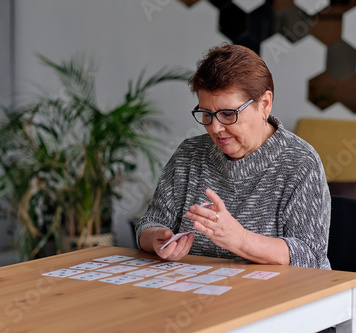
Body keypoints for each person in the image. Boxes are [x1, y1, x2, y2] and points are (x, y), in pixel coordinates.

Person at [136, 43, 331, 269]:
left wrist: (239, 239)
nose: (215, 128)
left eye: (228, 114)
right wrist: (157, 239)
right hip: (196, 293)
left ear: (264, 104)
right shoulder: (189, 155)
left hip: (275, 297)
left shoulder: (300, 162)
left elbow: (310, 257)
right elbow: (148, 224)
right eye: (206, 114)